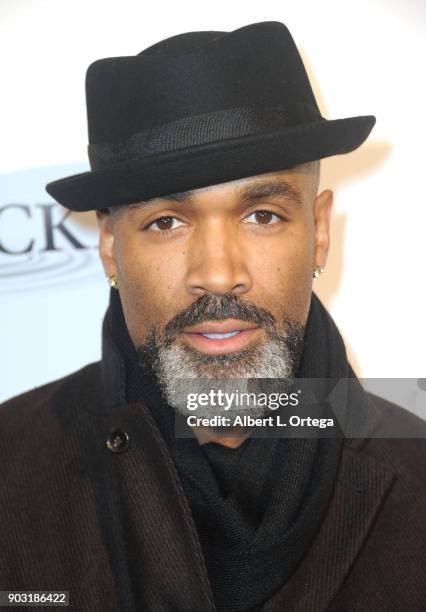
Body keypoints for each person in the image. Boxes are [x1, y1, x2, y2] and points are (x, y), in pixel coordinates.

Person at [0, 21, 425, 612]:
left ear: (320, 231)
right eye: (166, 223)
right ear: (109, 245)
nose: (219, 274)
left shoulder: (417, 469)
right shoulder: (8, 469)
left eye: (264, 216)